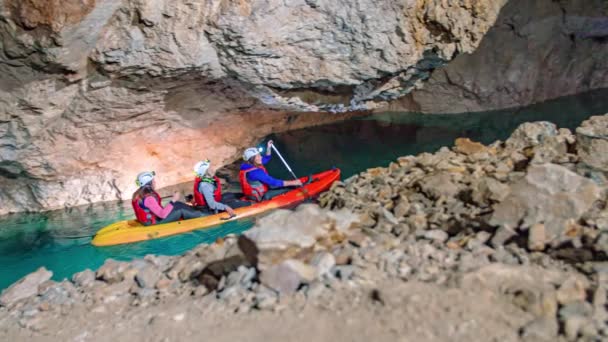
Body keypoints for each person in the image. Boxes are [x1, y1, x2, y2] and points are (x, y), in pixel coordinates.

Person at [131, 171, 203, 225]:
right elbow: (162, 215)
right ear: (149, 183)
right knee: (180, 209)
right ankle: (202, 215)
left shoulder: (138, 194)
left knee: (177, 204)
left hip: (145, 220)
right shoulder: (149, 198)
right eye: (153, 180)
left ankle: (194, 210)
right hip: (152, 222)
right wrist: (173, 200)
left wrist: (174, 202)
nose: (155, 182)